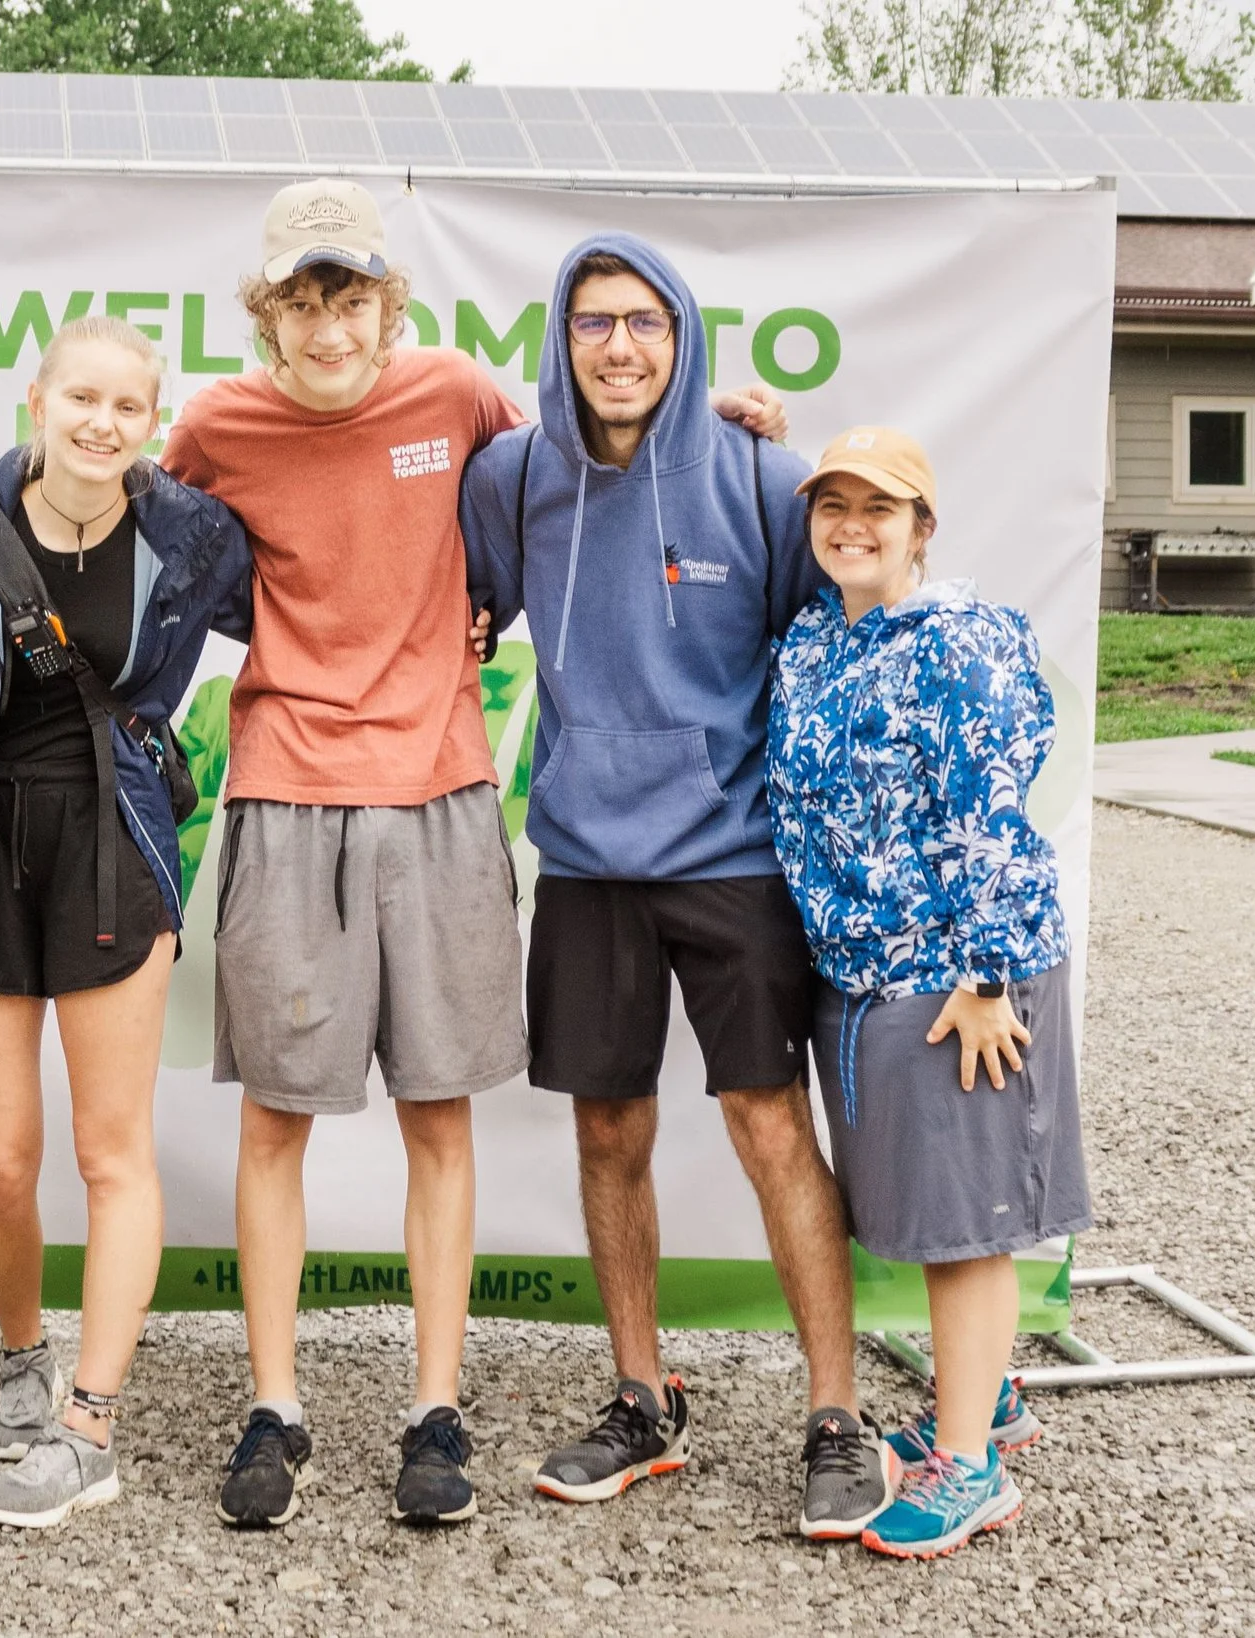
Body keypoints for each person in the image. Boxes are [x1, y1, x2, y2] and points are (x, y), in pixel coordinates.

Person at [0, 182, 780, 1529]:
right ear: (266, 312)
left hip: (441, 788)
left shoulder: (454, 394)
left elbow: (598, 450)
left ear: (390, 305)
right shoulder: (215, 422)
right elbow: (89, 482)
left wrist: (724, 426)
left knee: (437, 1118)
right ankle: (275, 1403)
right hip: (285, 794)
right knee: (276, 1123)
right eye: (304, 299)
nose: (331, 324)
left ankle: (433, 1407)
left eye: (354, 296)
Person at [460, 234, 893, 1540]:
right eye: (595, 324)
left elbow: (830, 635)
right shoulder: (513, 474)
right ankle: (645, 1398)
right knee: (609, 1133)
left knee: (771, 1127)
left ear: (682, 333)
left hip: (733, 857)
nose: (621, 348)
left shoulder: (758, 474)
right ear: (563, 339)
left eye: (645, 322)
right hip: (588, 858)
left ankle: (835, 1411)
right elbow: (475, 607)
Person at [0, 316, 251, 1529]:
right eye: (79, 397)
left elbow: (324, 590)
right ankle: (19, 1358)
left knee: (113, 1154)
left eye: (126, 405)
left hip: (119, 844)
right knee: (0, 1160)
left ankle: (88, 1424)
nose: (100, 422)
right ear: (36, 398)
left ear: (155, 421)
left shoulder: (193, 535)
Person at [767, 427, 1087, 1559]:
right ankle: (982, 1396)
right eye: (832, 505)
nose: (851, 524)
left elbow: (992, 813)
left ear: (922, 529)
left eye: (879, 508)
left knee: (964, 1229)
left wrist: (990, 976)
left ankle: (971, 1469)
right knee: (917, 1211)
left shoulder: (960, 642)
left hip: (956, 982)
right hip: (858, 976)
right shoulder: (814, 637)